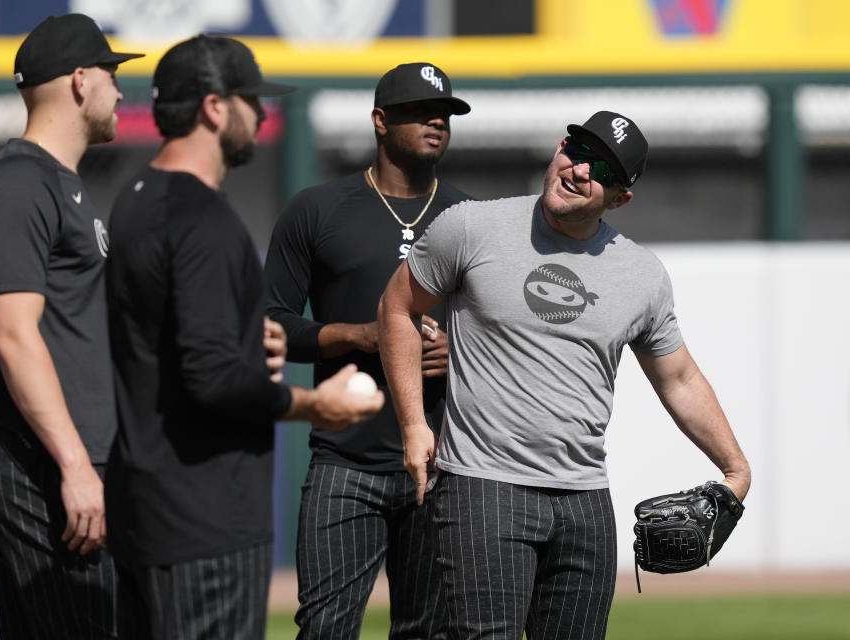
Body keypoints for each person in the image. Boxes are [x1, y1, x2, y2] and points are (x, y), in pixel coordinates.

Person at [378, 111, 752, 639]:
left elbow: (680, 379)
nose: (579, 169)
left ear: (620, 198)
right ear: (558, 149)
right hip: (485, 489)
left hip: (585, 501)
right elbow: (397, 307)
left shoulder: (642, 275)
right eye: (576, 150)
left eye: (601, 168)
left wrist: (736, 469)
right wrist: (414, 424)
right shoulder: (470, 226)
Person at [104, 35, 384, 640]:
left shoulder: (135, 197)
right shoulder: (204, 220)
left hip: (144, 508)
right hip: (205, 519)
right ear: (213, 108)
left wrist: (246, 341)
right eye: (250, 100)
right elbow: (212, 380)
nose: (261, 114)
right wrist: (317, 405)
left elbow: (167, 342)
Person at [265, 62, 472, 638]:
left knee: (428, 632)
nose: (436, 121)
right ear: (380, 121)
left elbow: (501, 330)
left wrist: (458, 349)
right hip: (343, 461)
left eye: (446, 114)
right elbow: (270, 324)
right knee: (325, 628)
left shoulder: (470, 218)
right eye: (418, 112)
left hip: (441, 461)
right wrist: (360, 336)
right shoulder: (317, 209)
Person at [0, 13, 142, 639]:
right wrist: (74, 465)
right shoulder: (19, 182)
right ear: (81, 81)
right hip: (35, 460)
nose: (122, 91)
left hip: (65, 460)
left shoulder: (60, 184)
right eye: (114, 75)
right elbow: (13, 334)